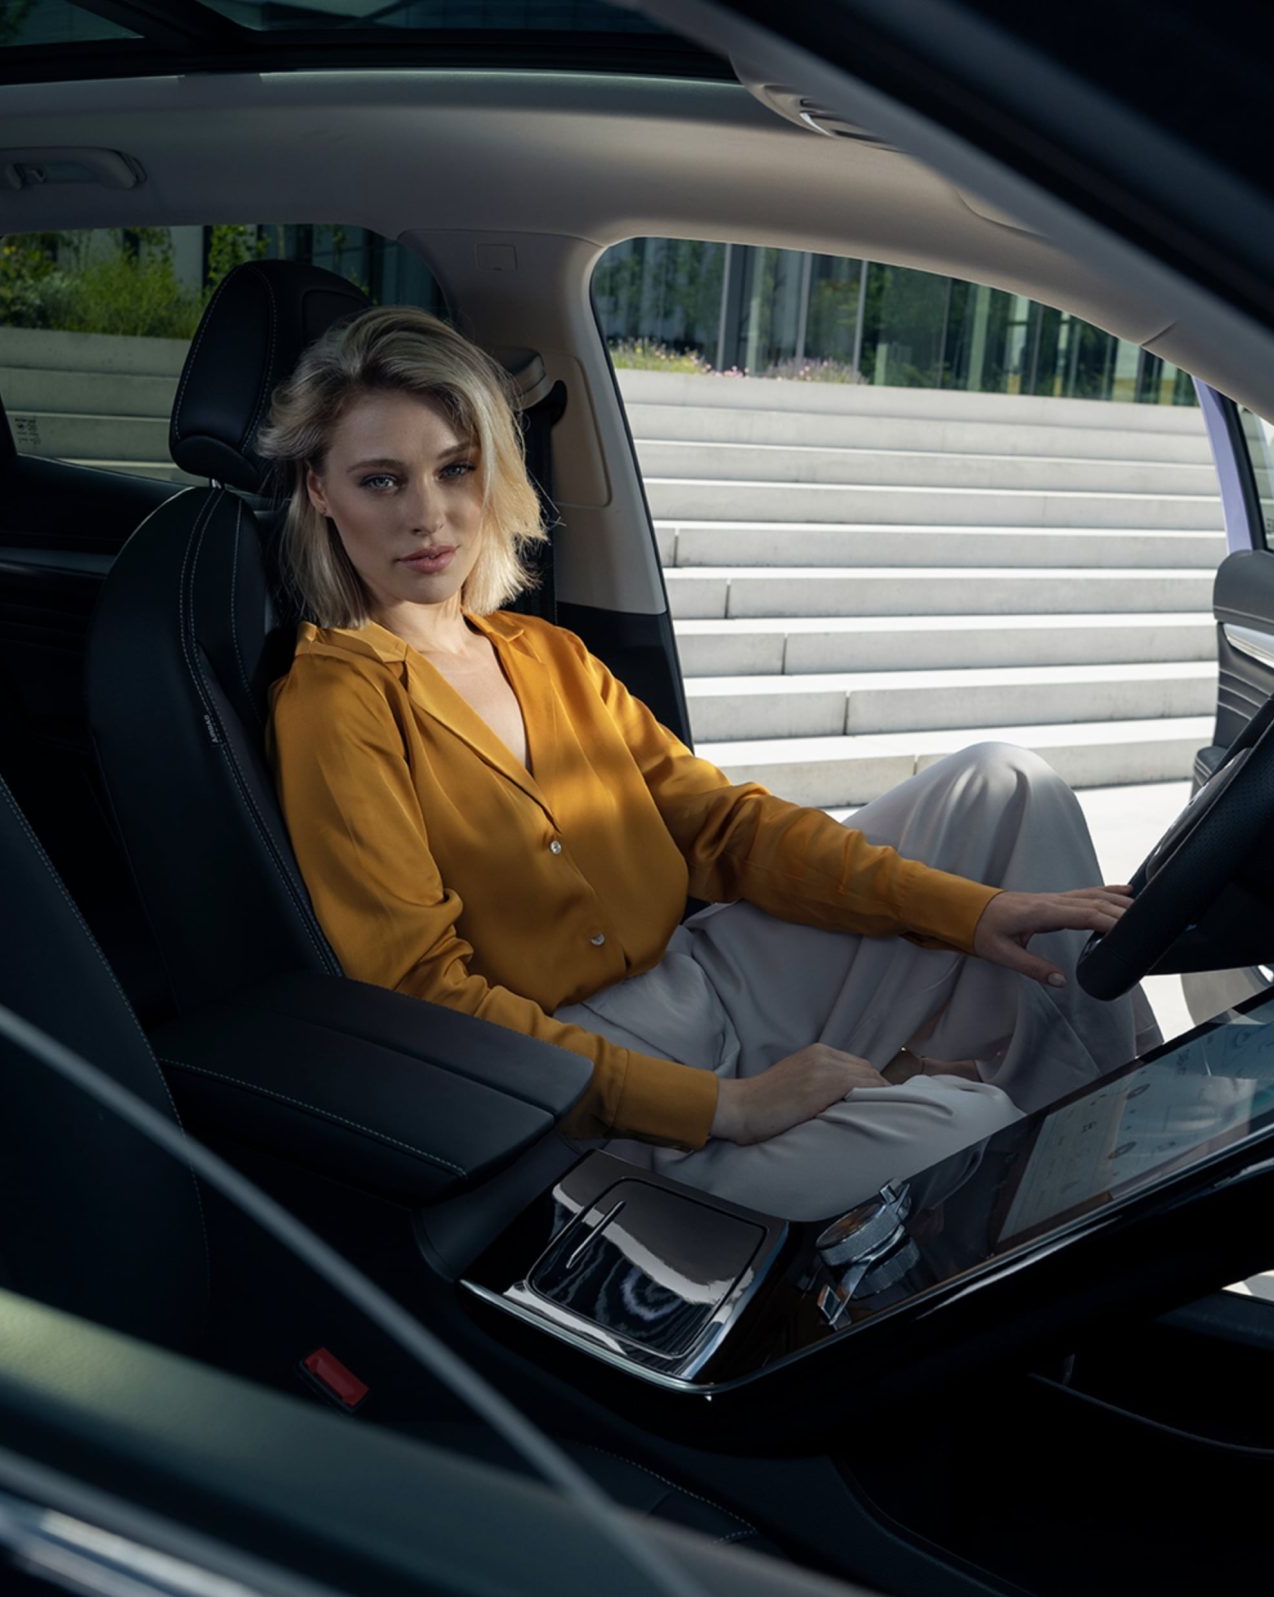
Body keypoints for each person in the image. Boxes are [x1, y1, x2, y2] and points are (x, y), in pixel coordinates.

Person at [262, 307, 1158, 1221]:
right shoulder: (336, 702)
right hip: (572, 1087)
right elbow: (425, 997)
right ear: (320, 491)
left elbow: (726, 828)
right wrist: (728, 1106)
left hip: (705, 976)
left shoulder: (544, 652)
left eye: (456, 469)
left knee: (1005, 784)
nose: (427, 515)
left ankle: (1115, 1134)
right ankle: (1072, 1191)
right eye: (381, 481)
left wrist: (973, 912)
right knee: (972, 1130)